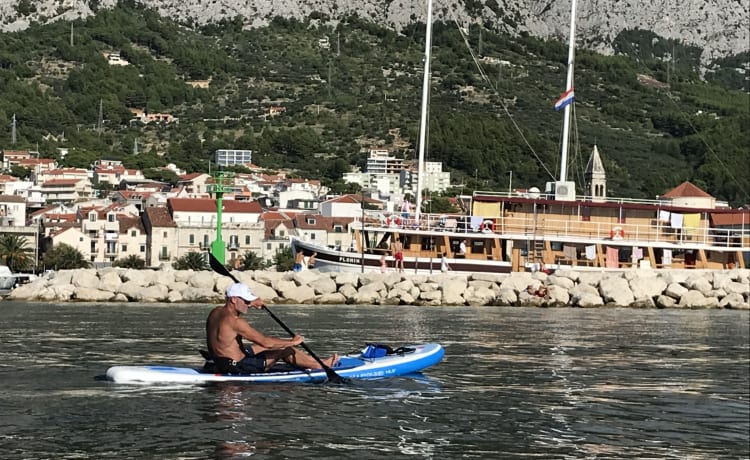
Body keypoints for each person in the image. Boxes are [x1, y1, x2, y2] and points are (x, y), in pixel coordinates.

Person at [205, 282, 338, 374]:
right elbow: (265, 342)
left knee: (262, 347)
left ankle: (315, 361)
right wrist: (292, 342)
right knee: (285, 349)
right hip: (238, 366)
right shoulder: (237, 322)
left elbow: (260, 345)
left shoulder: (215, 312)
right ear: (234, 299)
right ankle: (319, 365)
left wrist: (252, 303)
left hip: (220, 360)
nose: (247, 304)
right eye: (245, 301)